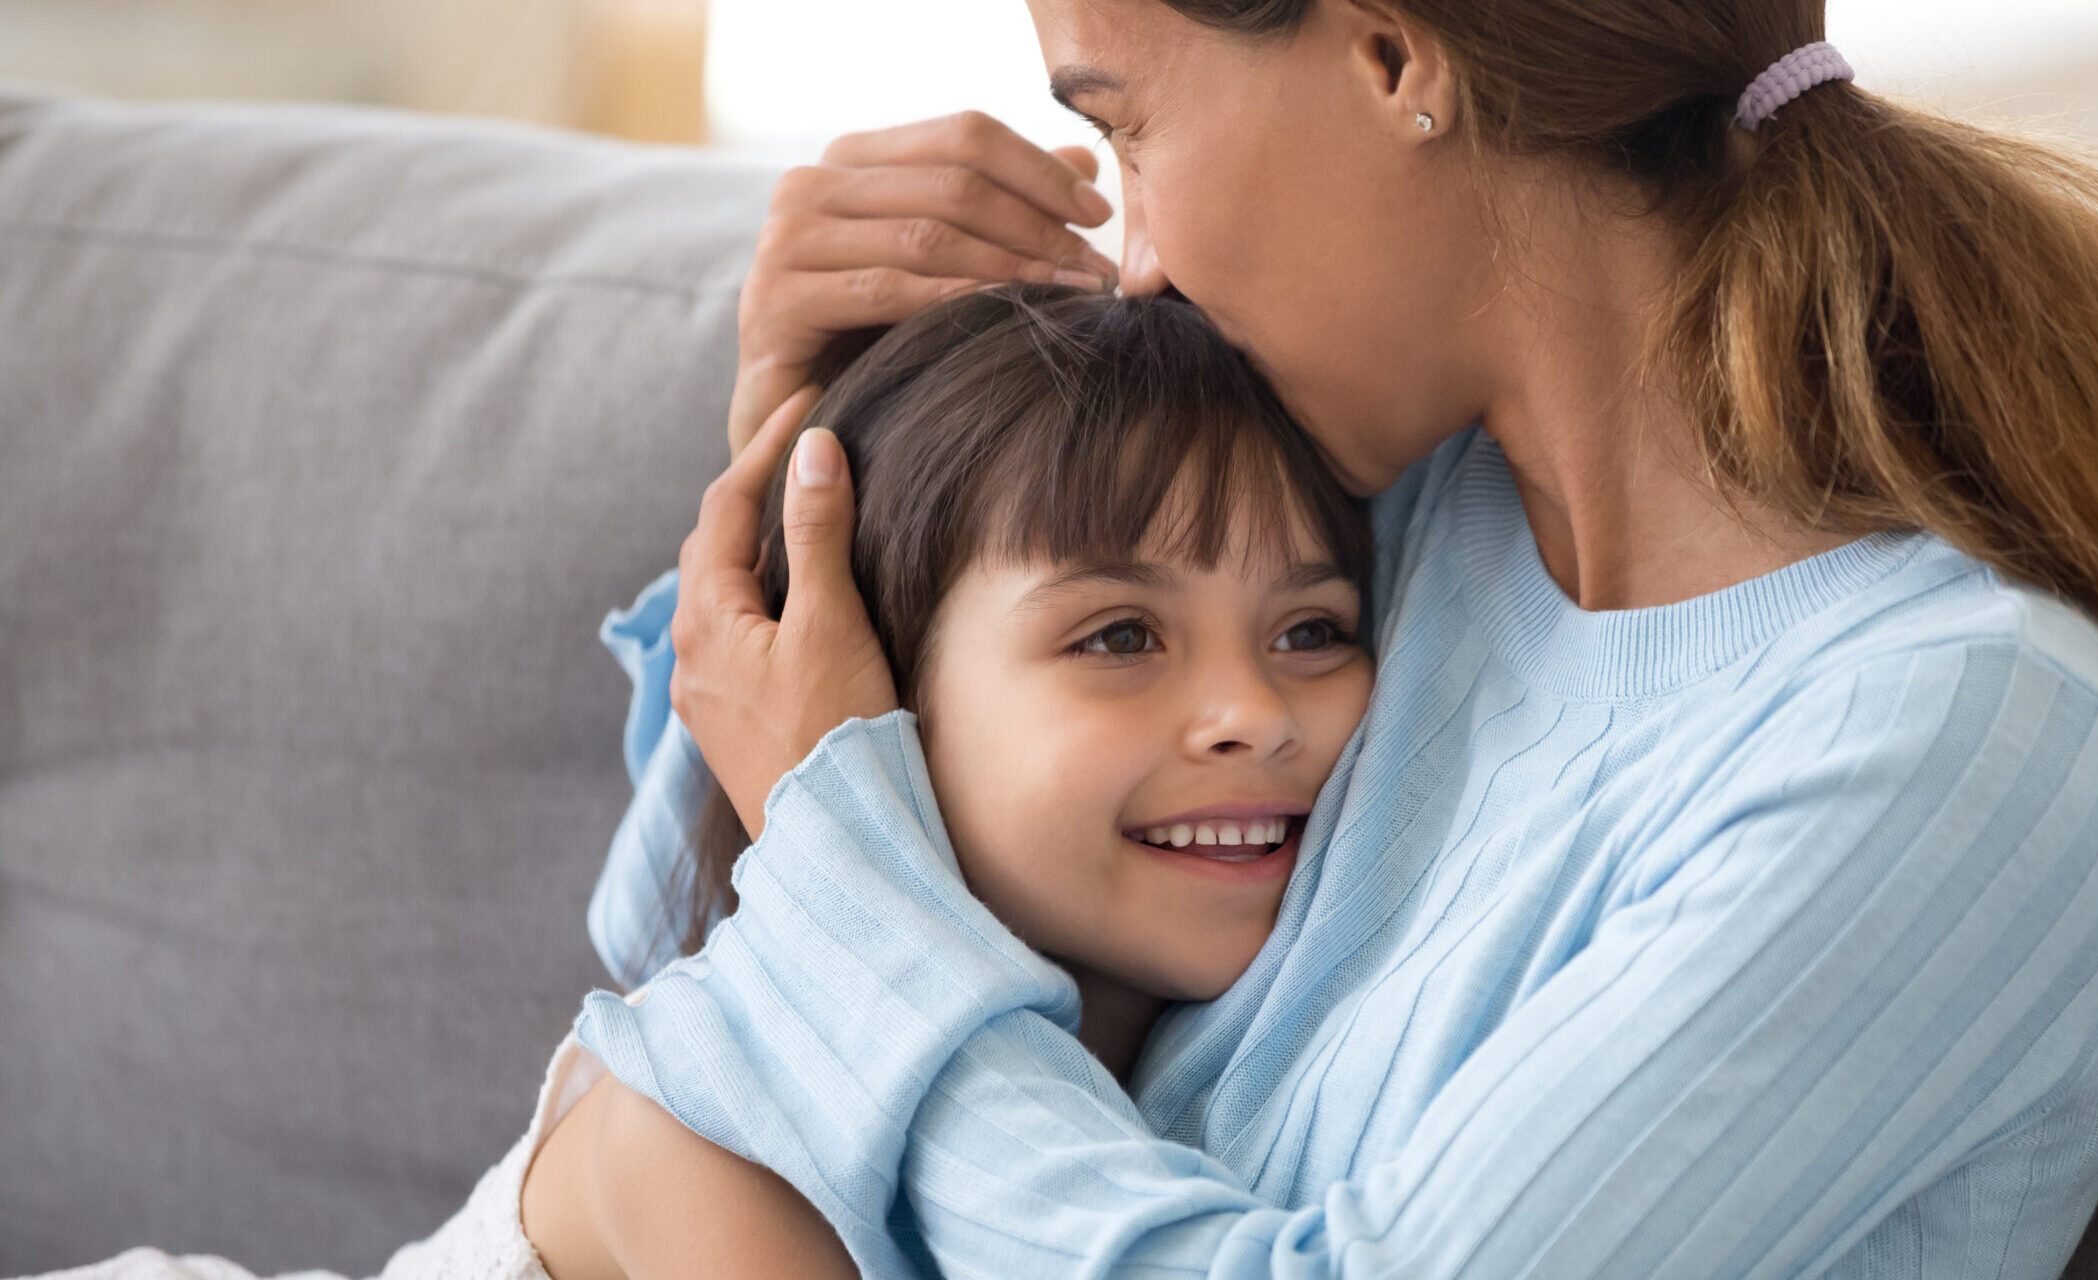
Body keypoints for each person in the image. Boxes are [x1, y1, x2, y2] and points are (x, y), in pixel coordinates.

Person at [579, 2, 2098, 1277]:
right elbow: (683, 974)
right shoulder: (1399, 518)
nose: (1130, 253)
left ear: (1391, 54)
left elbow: (813, 964)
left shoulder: (1959, 739)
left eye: (1124, 120)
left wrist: (842, 830)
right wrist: (827, 463)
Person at [28, 286, 1372, 1280]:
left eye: (1311, 631)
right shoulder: (714, 1123)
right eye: (1119, 637)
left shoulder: (1257, 1067)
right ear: (862, 698)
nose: (1252, 714)